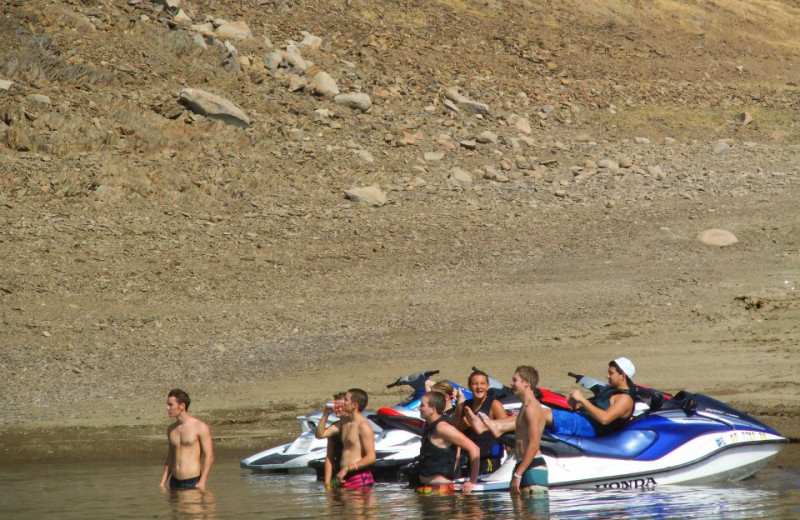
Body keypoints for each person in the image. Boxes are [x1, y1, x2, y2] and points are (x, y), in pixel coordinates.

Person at [470, 358, 637, 439]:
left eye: (611, 373)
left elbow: (605, 419)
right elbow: (598, 412)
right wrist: (578, 405)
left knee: (539, 413)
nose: (607, 376)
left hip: (588, 428)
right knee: (534, 411)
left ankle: (494, 426)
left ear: (622, 375)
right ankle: (493, 425)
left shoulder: (625, 399)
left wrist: (583, 399)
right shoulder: (614, 393)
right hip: (583, 421)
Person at [416, 391, 480, 495]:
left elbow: (474, 449)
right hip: (428, 489)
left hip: (440, 492)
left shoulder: (443, 428)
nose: (419, 408)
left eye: (422, 405)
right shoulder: (431, 425)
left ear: (433, 409)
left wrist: (472, 481)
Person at [315, 388, 377, 489]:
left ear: (354, 405)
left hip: (358, 477)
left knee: (354, 504)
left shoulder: (363, 425)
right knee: (332, 498)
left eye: (346, 400)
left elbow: (371, 457)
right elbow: (320, 434)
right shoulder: (343, 423)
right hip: (342, 477)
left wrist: (347, 469)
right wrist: (326, 413)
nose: (342, 402)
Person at [159, 389, 214, 491]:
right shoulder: (171, 429)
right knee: (175, 507)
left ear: (182, 405)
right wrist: (162, 483)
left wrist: (202, 482)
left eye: (170, 405)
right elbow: (170, 457)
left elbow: (209, 456)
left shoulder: (200, 426)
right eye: (167, 405)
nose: (167, 408)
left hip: (192, 481)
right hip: (174, 481)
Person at [453, 370, 507, 474]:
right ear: (469, 387)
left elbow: (506, 430)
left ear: (488, 386)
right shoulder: (465, 406)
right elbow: (455, 432)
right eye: (475, 384)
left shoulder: (494, 405)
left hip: (489, 459)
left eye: (482, 383)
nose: (479, 387)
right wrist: (463, 425)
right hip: (469, 460)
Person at [508, 366, 548, 495]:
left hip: (533, 466)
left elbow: (534, 444)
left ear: (527, 383)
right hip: (524, 464)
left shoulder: (532, 407)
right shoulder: (524, 407)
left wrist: (518, 475)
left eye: (515, 380)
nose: (511, 383)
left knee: (535, 514)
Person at [323, 392, 346, 489]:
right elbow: (329, 456)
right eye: (335, 405)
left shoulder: (358, 425)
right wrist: (327, 483)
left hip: (352, 475)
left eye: (339, 405)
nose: (336, 409)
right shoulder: (334, 427)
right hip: (336, 475)